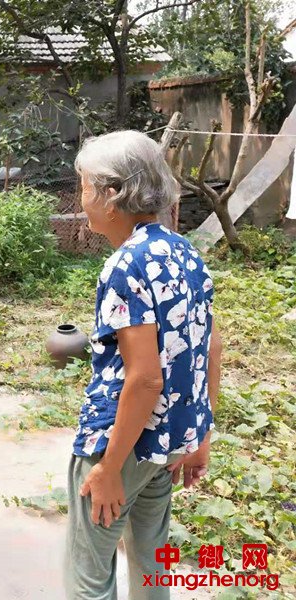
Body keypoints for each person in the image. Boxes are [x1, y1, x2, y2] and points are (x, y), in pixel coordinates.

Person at [65, 130, 222, 599]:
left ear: (112, 195)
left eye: (84, 186)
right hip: (170, 441)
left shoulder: (125, 265)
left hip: (124, 441)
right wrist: (200, 437)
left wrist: (109, 467)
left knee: (89, 572)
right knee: (153, 559)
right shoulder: (184, 251)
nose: (82, 199)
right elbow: (211, 348)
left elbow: (146, 377)